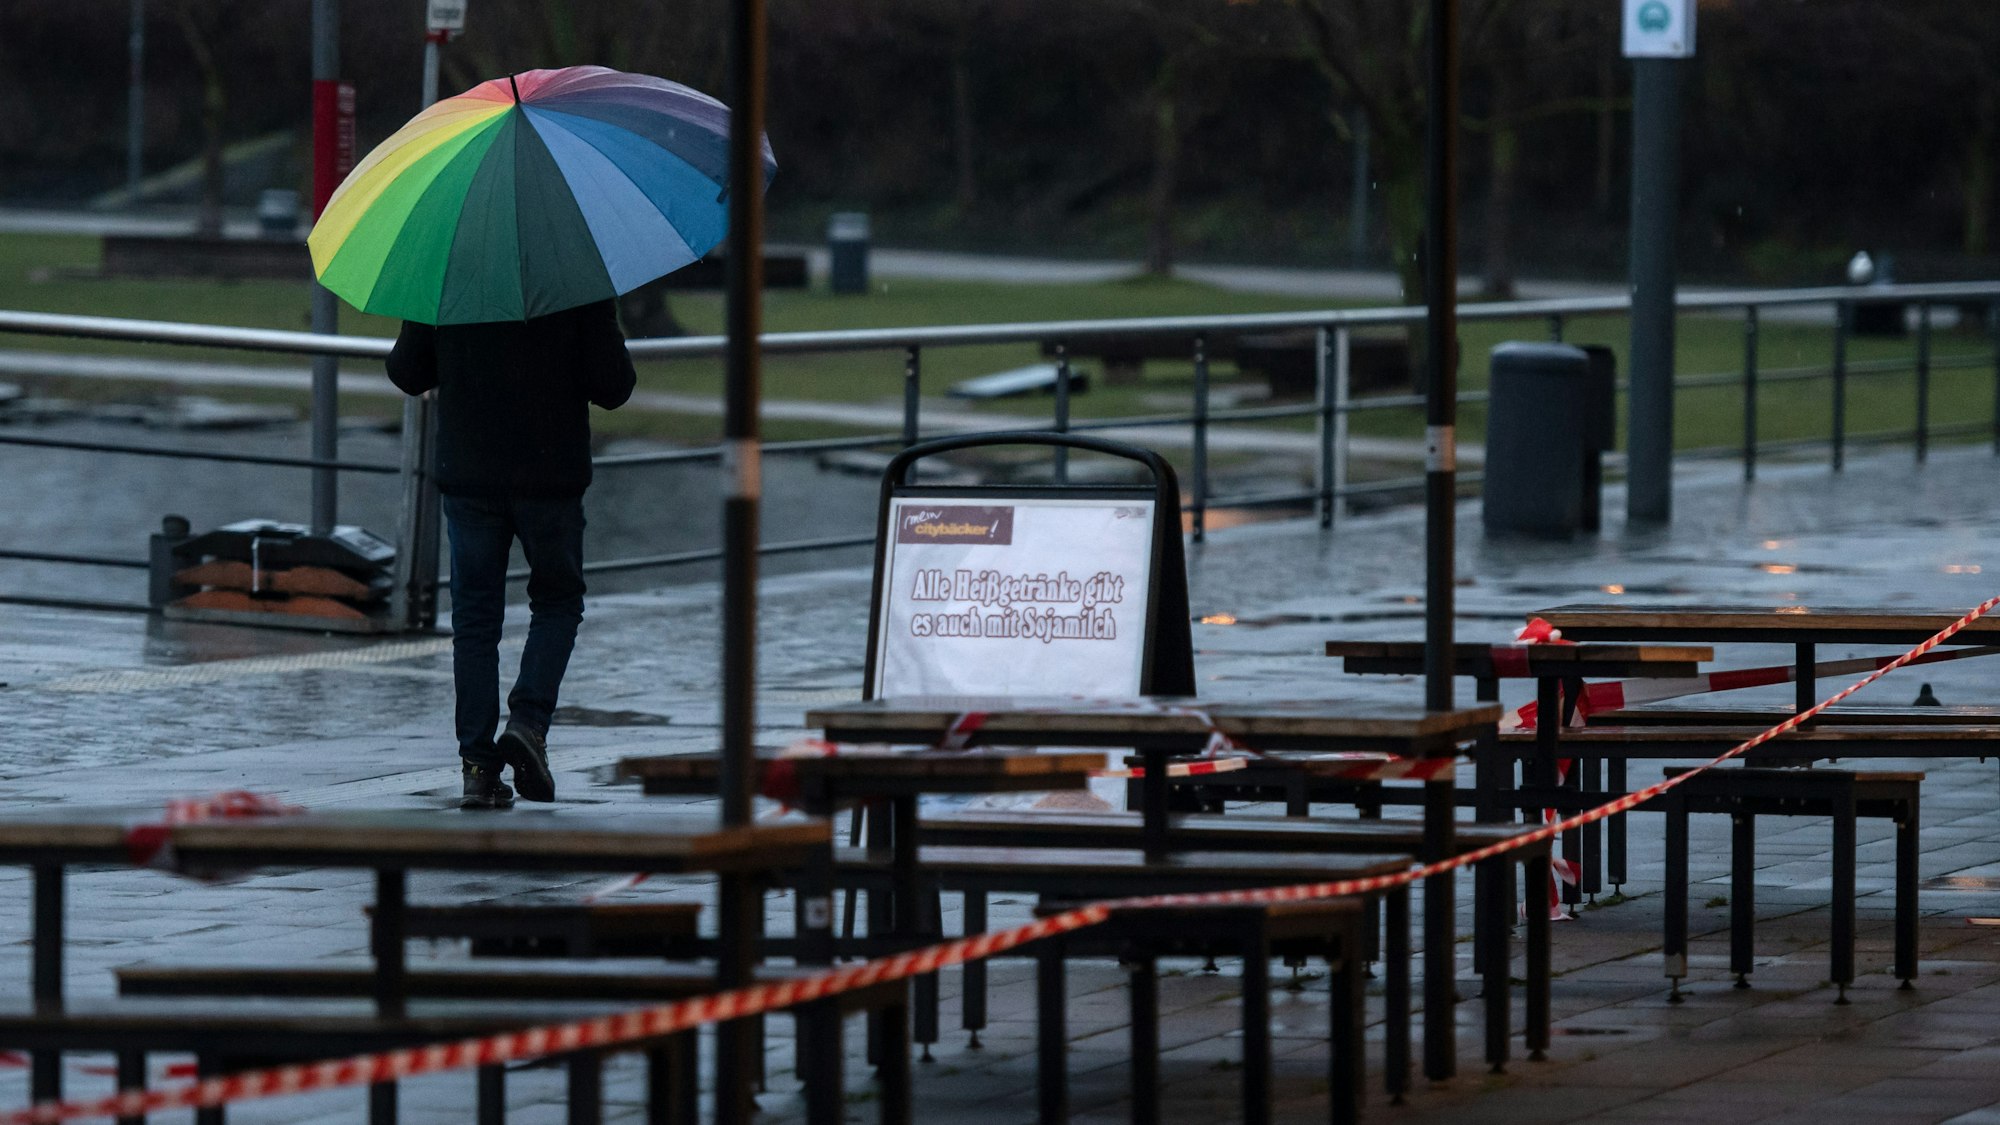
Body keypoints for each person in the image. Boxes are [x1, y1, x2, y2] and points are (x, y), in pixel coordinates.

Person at [387, 299, 637, 809]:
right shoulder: (576, 277)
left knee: (475, 621)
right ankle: (528, 724)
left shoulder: (446, 277)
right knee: (558, 603)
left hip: (470, 473)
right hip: (551, 477)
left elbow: (408, 373)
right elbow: (615, 386)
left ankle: (477, 767)